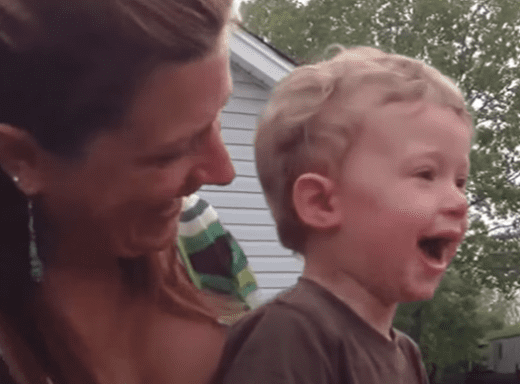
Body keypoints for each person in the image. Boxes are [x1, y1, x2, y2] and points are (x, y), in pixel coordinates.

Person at [0, 0, 256, 383]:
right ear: (22, 158)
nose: (224, 172)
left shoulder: (200, 235)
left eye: (216, 118)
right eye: (170, 153)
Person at [214, 46, 473, 383]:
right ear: (321, 203)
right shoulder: (289, 336)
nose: (459, 201)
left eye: (460, 181)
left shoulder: (405, 355)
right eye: (425, 174)